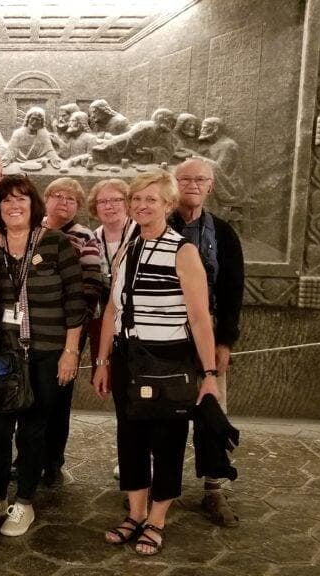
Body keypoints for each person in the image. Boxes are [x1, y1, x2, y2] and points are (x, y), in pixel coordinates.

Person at [92, 169, 220, 556]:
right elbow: (114, 307)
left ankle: (157, 519)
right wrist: (102, 360)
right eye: (137, 199)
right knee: (130, 438)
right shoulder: (128, 247)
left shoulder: (184, 251)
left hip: (169, 360)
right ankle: (135, 513)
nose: (142, 206)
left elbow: (199, 318)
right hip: (129, 358)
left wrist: (210, 374)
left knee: (168, 442)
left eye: (151, 199)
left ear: (167, 204)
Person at [0, 175, 85, 537]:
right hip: (1, 353)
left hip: (47, 352)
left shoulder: (57, 244)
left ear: (33, 204)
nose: (14, 205)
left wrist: (70, 352)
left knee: (34, 428)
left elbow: (75, 302)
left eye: (21, 199)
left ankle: (24, 502)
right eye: (6, 200)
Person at [168, 158, 245, 527]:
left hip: (208, 334)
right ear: (174, 183)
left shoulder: (224, 233)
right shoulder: (155, 227)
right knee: (165, 414)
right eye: (186, 178)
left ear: (211, 186)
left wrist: (225, 342)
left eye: (201, 179)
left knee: (212, 411)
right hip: (164, 335)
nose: (193, 184)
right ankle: (161, 488)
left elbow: (232, 291)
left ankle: (214, 488)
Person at [40, 177, 103, 482]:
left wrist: (75, 330)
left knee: (57, 399)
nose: (63, 203)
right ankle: (27, 458)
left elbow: (90, 285)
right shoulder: (31, 229)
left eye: (71, 199)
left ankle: (52, 462)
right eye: (58, 196)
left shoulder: (84, 236)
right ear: (46, 198)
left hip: (67, 331)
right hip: (31, 330)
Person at [87, 178, 139, 378]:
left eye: (116, 200)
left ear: (127, 203)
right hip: (104, 321)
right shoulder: (92, 238)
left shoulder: (141, 234)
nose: (109, 206)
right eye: (102, 202)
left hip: (136, 321)